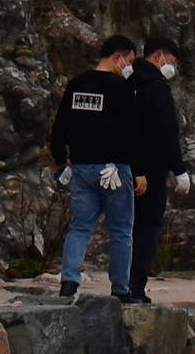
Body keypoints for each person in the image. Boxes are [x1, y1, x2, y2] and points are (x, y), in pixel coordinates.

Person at [49, 34, 146, 300]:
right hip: (115, 169)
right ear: (118, 57)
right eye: (130, 60)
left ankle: (69, 282)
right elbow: (132, 132)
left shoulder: (77, 83)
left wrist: (60, 160)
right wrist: (139, 171)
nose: (130, 66)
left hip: (81, 167)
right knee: (121, 230)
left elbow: (60, 128)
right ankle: (120, 289)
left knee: (80, 227)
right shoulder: (121, 88)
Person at [127, 35, 188, 305]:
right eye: (171, 62)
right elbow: (167, 133)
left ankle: (120, 284)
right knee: (148, 227)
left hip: (123, 166)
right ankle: (136, 286)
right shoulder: (157, 87)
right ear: (159, 57)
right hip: (151, 170)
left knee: (124, 228)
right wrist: (179, 170)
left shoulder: (127, 82)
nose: (171, 68)